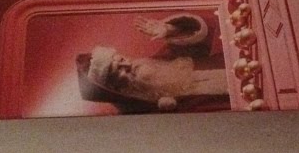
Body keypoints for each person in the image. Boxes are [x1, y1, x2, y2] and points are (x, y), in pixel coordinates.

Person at [76, 13, 229, 113]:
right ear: (116, 89)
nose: (128, 65)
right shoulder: (149, 115)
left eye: (121, 60)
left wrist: (171, 29)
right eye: (119, 70)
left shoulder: (164, 61)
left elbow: (204, 32)